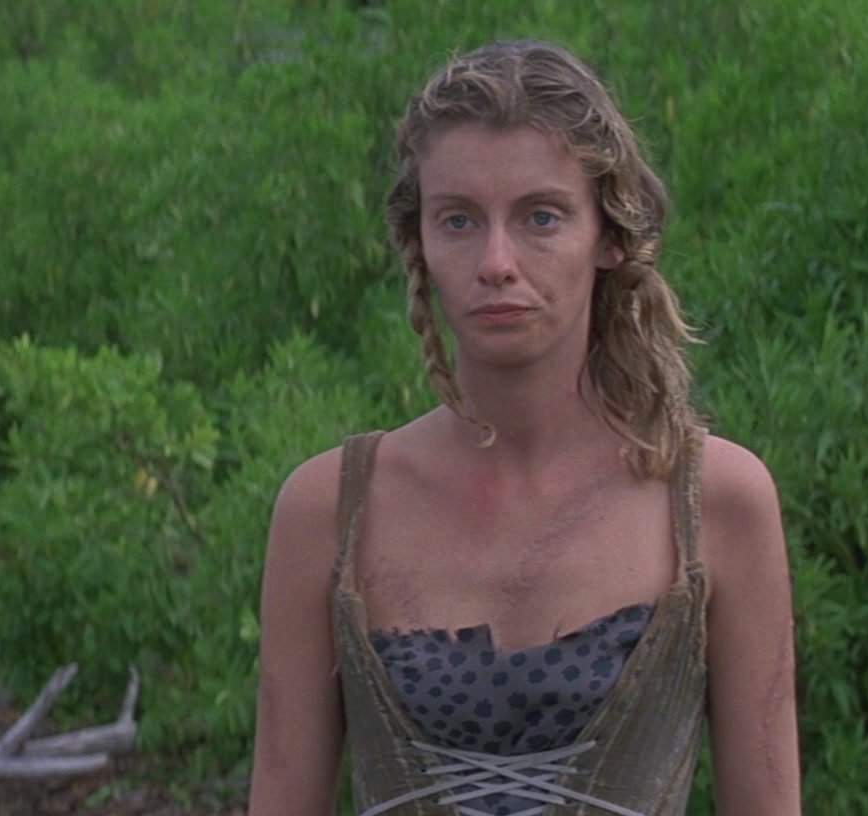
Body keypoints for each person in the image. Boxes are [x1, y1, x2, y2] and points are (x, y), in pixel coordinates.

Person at [248, 41, 801, 816]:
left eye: (541, 216)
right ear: (419, 242)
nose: (497, 261)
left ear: (609, 236)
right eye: (458, 220)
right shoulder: (331, 511)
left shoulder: (716, 502)